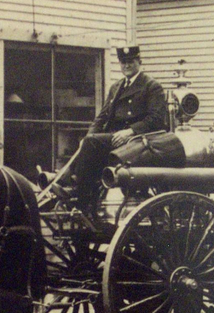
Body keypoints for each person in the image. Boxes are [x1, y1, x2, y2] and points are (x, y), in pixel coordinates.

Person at [64, 46, 167, 213]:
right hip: (116, 140)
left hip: (138, 143)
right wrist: (88, 135)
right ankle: (73, 185)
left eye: (131, 62)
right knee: (88, 142)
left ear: (139, 62)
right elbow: (102, 117)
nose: (127, 66)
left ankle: (79, 195)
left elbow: (156, 119)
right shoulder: (116, 87)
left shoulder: (151, 86)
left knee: (93, 143)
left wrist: (131, 131)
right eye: (123, 62)